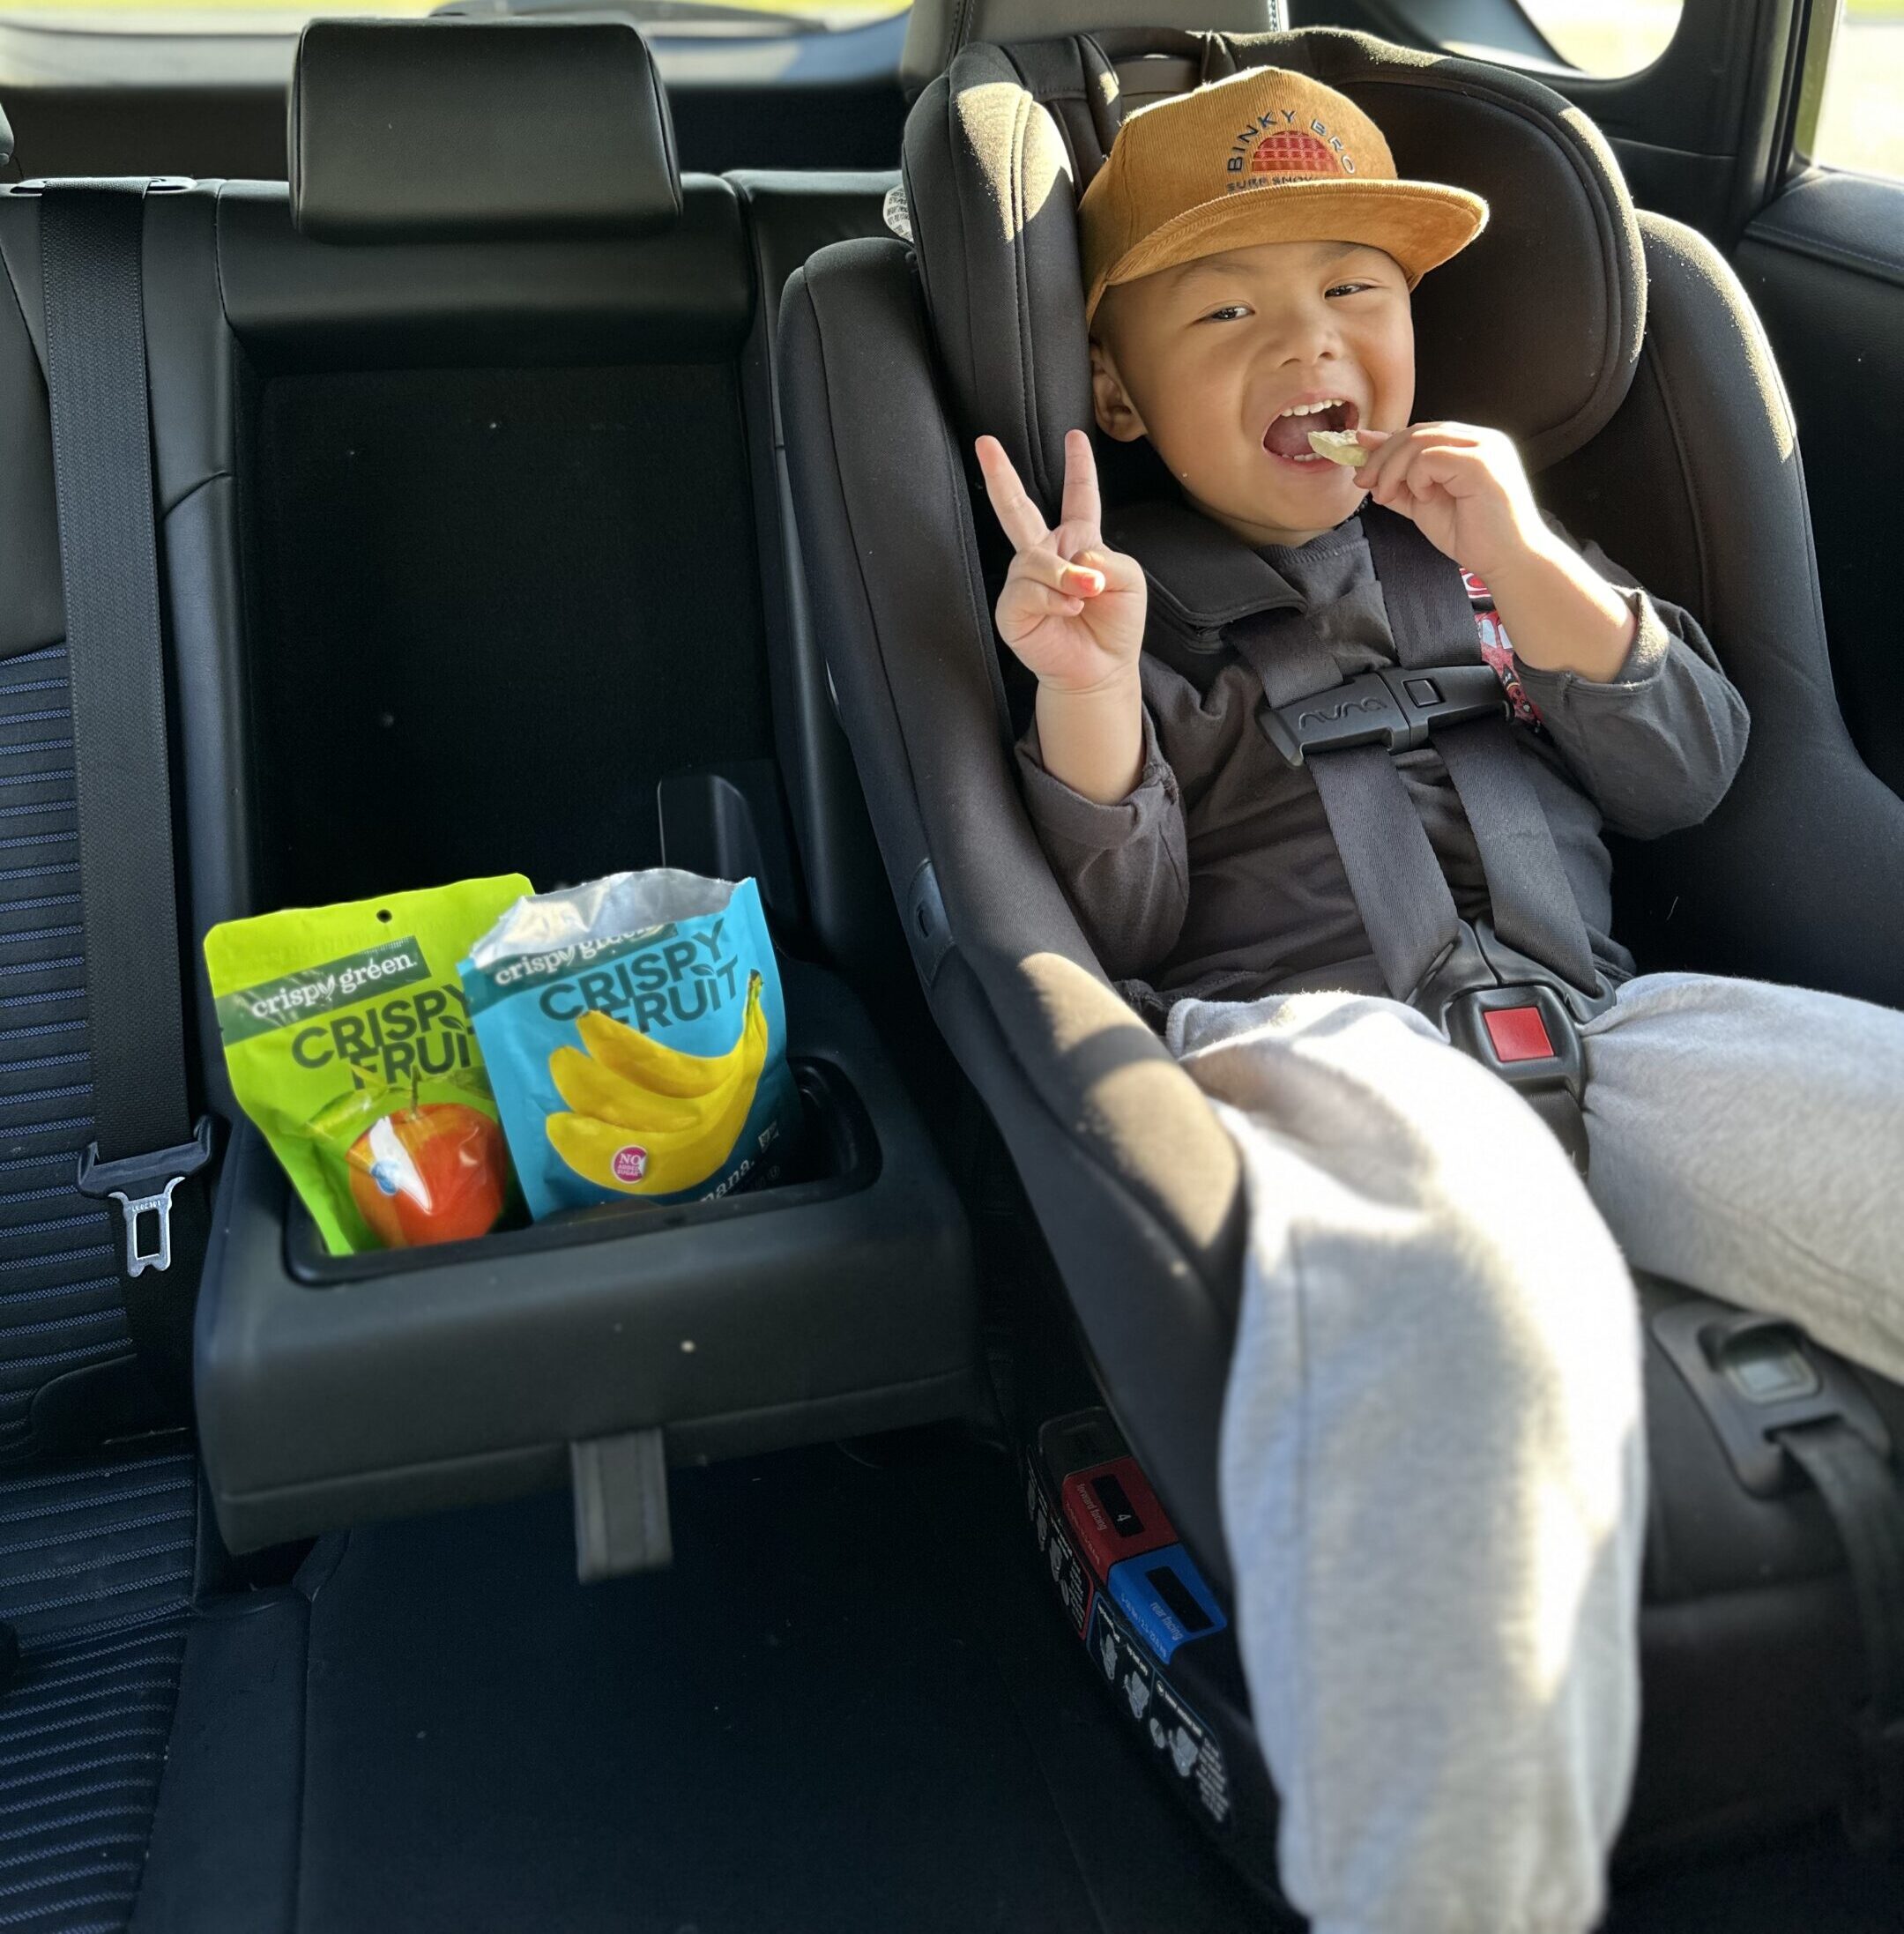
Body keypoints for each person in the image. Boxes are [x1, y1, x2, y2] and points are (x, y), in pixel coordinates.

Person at [974, 63, 1904, 1934]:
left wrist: (1534, 566)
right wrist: (1087, 690)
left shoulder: (1492, 546)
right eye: (1227, 312)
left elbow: (1689, 771)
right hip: (1313, 1042)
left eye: (1357, 292)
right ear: (1119, 391)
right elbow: (1116, 916)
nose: (1310, 342)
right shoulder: (1129, 597)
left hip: (1605, 1019)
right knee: (1481, 1318)